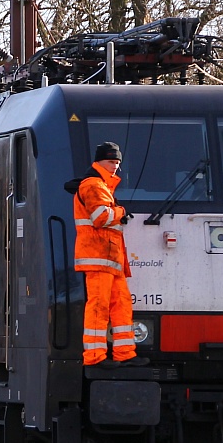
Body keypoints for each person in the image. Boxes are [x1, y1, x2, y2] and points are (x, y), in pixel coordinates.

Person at [66, 142, 148, 367]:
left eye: (118, 162)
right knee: (99, 307)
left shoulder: (102, 186)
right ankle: (94, 357)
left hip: (111, 258)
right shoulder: (94, 185)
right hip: (98, 256)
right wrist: (121, 212)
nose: (116, 167)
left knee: (121, 305)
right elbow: (101, 217)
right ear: (99, 161)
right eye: (112, 161)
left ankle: (125, 354)